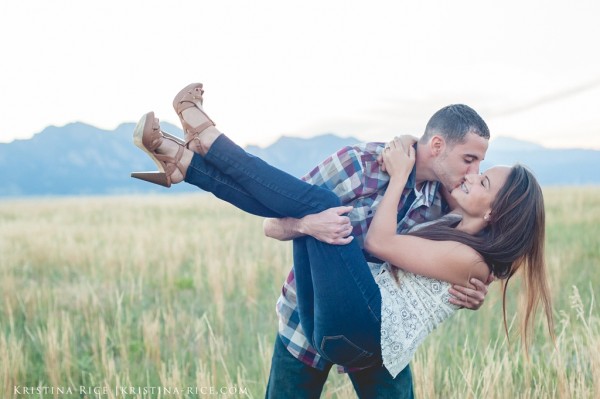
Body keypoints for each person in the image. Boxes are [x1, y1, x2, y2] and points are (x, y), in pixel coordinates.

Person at [130, 83, 554, 397]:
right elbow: (273, 222)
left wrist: (474, 291)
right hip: (308, 314)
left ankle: (195, 154)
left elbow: (476, 252)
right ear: (438, 145)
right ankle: (191, 157)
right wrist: (307, 226)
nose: (472, 171)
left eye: (480, 165)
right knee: (319, 206)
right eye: (470, 159)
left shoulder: (448, 205)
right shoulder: (360, 164)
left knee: (321, 205)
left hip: (377, 334)